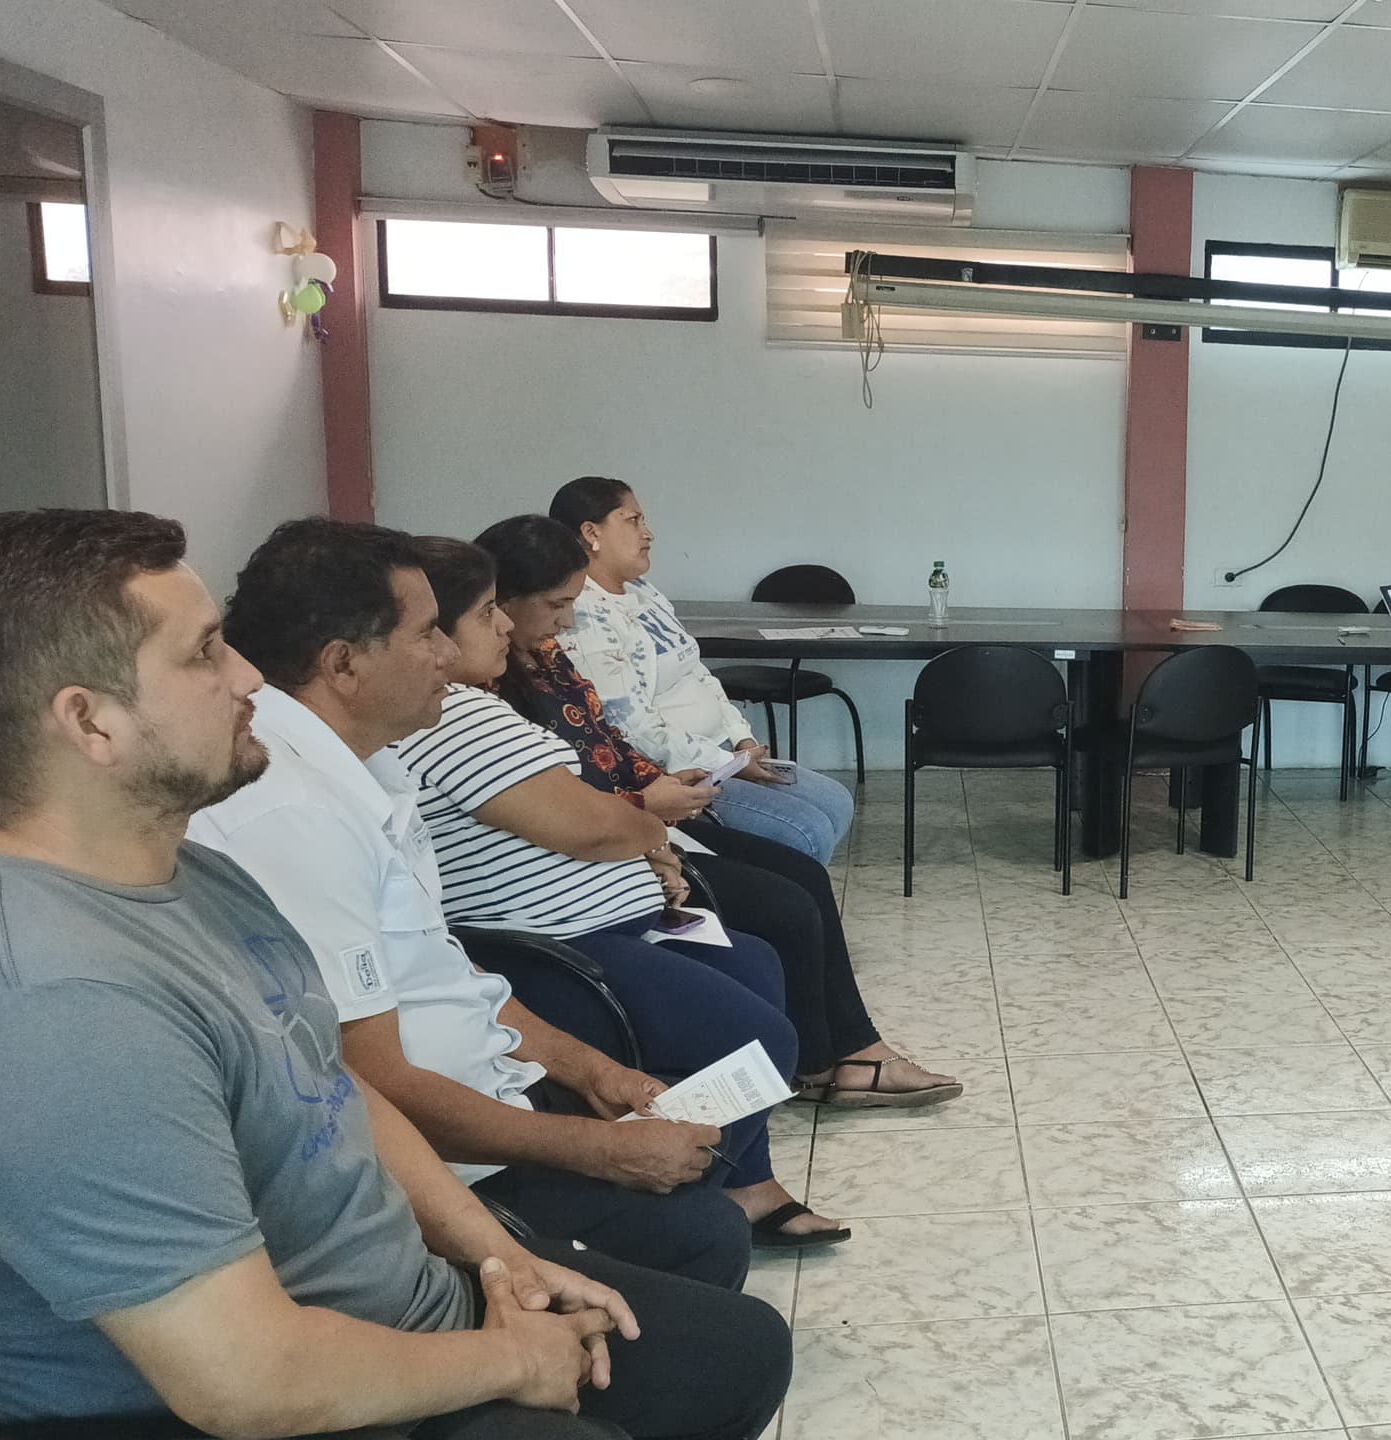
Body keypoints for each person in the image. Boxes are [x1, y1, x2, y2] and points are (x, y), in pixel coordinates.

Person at [0, 507, 787, 1439]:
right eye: (204, 653)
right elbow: (244, 1380)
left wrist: (500, 1259)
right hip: (303, 1384)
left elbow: (334, 1081)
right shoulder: (62, 1009)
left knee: (737, 1351)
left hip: (400, 1291)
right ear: (89, 722)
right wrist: (513, 1359)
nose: (248, 676)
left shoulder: (193, 874)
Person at [185, 519, 803, 1289]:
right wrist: (594, 1149)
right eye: (427, 634)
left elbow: (440, 966)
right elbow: (362, 1080)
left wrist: (591, 1071)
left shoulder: (367, 765)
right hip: (445, 1154)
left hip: (492, 1077)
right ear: (343, 664)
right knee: (706, 1240)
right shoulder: (292, 813)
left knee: (703, 1109)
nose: (449, 654)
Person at [393, 538, 847, 1247]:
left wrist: (649, 847)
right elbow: (595, 825)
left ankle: (743, 1181)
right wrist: (649, 836)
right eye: (486, 613)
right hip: (557, 943)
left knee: (757, 960)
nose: (506, 625)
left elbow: (597, 799)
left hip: (612, 914)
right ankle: (673, 1192)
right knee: (760, 1033)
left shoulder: (484, 700)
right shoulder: (455, 719)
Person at [476, 515, 959, 1108]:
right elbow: (571, 801)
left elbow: (608, 740)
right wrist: (651, 813)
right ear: (503, 600)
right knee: (786, 902)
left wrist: (663, 783)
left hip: (651, 816)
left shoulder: (549, 654)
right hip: (621, 844)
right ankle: (819, 1065)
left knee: (805, 876)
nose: (567, 620)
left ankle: (856, 1050)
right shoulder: (487, 696)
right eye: (556, 605)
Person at [551, 476, 855, 865]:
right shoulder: (584, 615)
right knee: (806, 831)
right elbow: (630, 726)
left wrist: (742, 739)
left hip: (722, 752)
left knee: (836, 800)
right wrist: (724, 764)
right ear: (592, 532)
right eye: (633, 521)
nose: (648, 533)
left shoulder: (643, 592)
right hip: (679, 770)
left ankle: (793, 886)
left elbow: (698, 673)